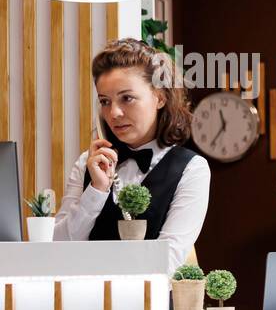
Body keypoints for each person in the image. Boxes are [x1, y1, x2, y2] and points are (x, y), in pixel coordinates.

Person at [54, 38, 210, 275]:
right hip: (84, 303)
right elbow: (58, 248)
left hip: (149, 306)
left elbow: (169, 262)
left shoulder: (192, 169)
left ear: (160, 97)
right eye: (105, 101)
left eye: (127, 98)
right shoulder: (87, 163)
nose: (114, 113)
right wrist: (96, 190)